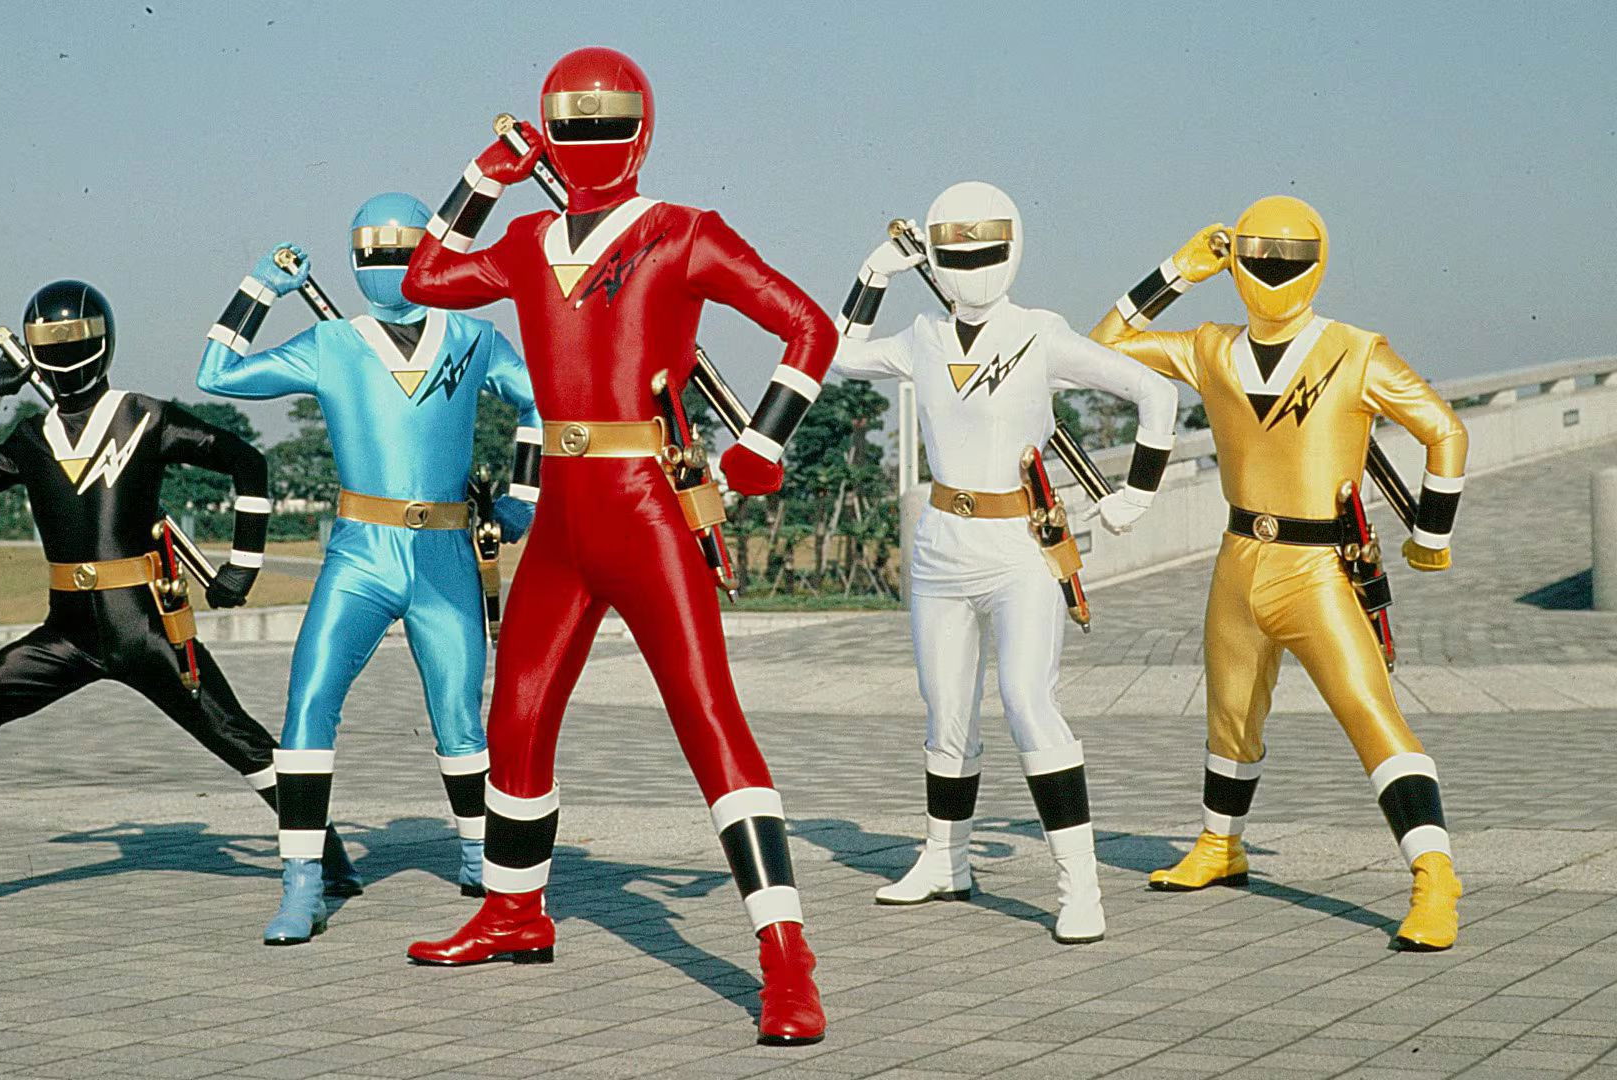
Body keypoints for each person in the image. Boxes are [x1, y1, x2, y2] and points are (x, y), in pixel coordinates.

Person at [397, 47, 835, 1045]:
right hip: (563, 512)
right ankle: (514, 910)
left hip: (646, 505)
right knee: (516, 716)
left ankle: (785, 954)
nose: (587, 140)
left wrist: (764, 441)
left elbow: (809, 325)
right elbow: (424, 278)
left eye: (603, 123)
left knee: (708, 719)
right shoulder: (529, 239)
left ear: (641, 132)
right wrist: (481, 176)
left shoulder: (684, 232)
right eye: (573, 124)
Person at [0, 280, 355, 931]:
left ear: (102, 343)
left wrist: (242, 566)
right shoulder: (33, 437)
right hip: (66, 633)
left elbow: (246, 461)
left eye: (72, 339)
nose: (63, 354)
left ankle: (324, 848)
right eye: (50, 342)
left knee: (239, 740)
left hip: (145, 629)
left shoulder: (147, 418)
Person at [1089, 196, 1468, 950]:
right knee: (1229, 714)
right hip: (1238, 556)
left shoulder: (1355, 350)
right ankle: (1219, 843)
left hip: (1320, 565)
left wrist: (1432, 532)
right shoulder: (1211, 346)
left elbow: (1445, 430)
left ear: (1318, 265)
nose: (1271, 272)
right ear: (1236, 262)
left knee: (1368, 711)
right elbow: (1106, 346)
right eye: (1257, 257)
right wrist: (1177, 270)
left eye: (1287, 260)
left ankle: (1435, 876)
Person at [829, 182, 1178, 943]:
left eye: (986, 251)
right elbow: (841, 354)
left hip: (1019, 546)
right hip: (940, 544)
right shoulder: (922, 335)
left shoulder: (1041, 333)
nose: (973, 268)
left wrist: (1138, 491)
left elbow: (1155, 392)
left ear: (1013, 248)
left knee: (1027, 700)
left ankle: (1079, 887)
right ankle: (944, 859)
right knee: (946, 712)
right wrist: (875, 272)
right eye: (956, 255)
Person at [197, 192, 540, 945]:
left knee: (459, 716)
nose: (387, 264)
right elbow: (214, 374)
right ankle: (302, 882)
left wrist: (523, 498)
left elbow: (540, 402)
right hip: (362, 553)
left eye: (400, 251)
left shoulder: (473, 335)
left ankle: (480, 857)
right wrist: (259, 288)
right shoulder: (333, 343)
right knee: (308, 706)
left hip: (444, 551)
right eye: (374, 252)